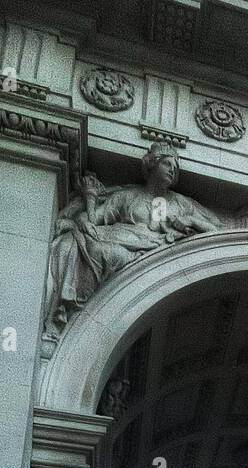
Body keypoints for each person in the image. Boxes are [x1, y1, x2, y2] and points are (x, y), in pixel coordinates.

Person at [43, 144, 225, 339]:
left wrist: (190, 220)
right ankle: (66, 308)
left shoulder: (181, 203)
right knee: (80, 244)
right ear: (152, 165)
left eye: (175, 167)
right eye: (167, 163)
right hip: (120, 237)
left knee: (110, 254)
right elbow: (95, 219)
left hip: (151, 249)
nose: (172, 169)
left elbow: (217, 233)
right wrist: (88, 200)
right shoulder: (127, 196)